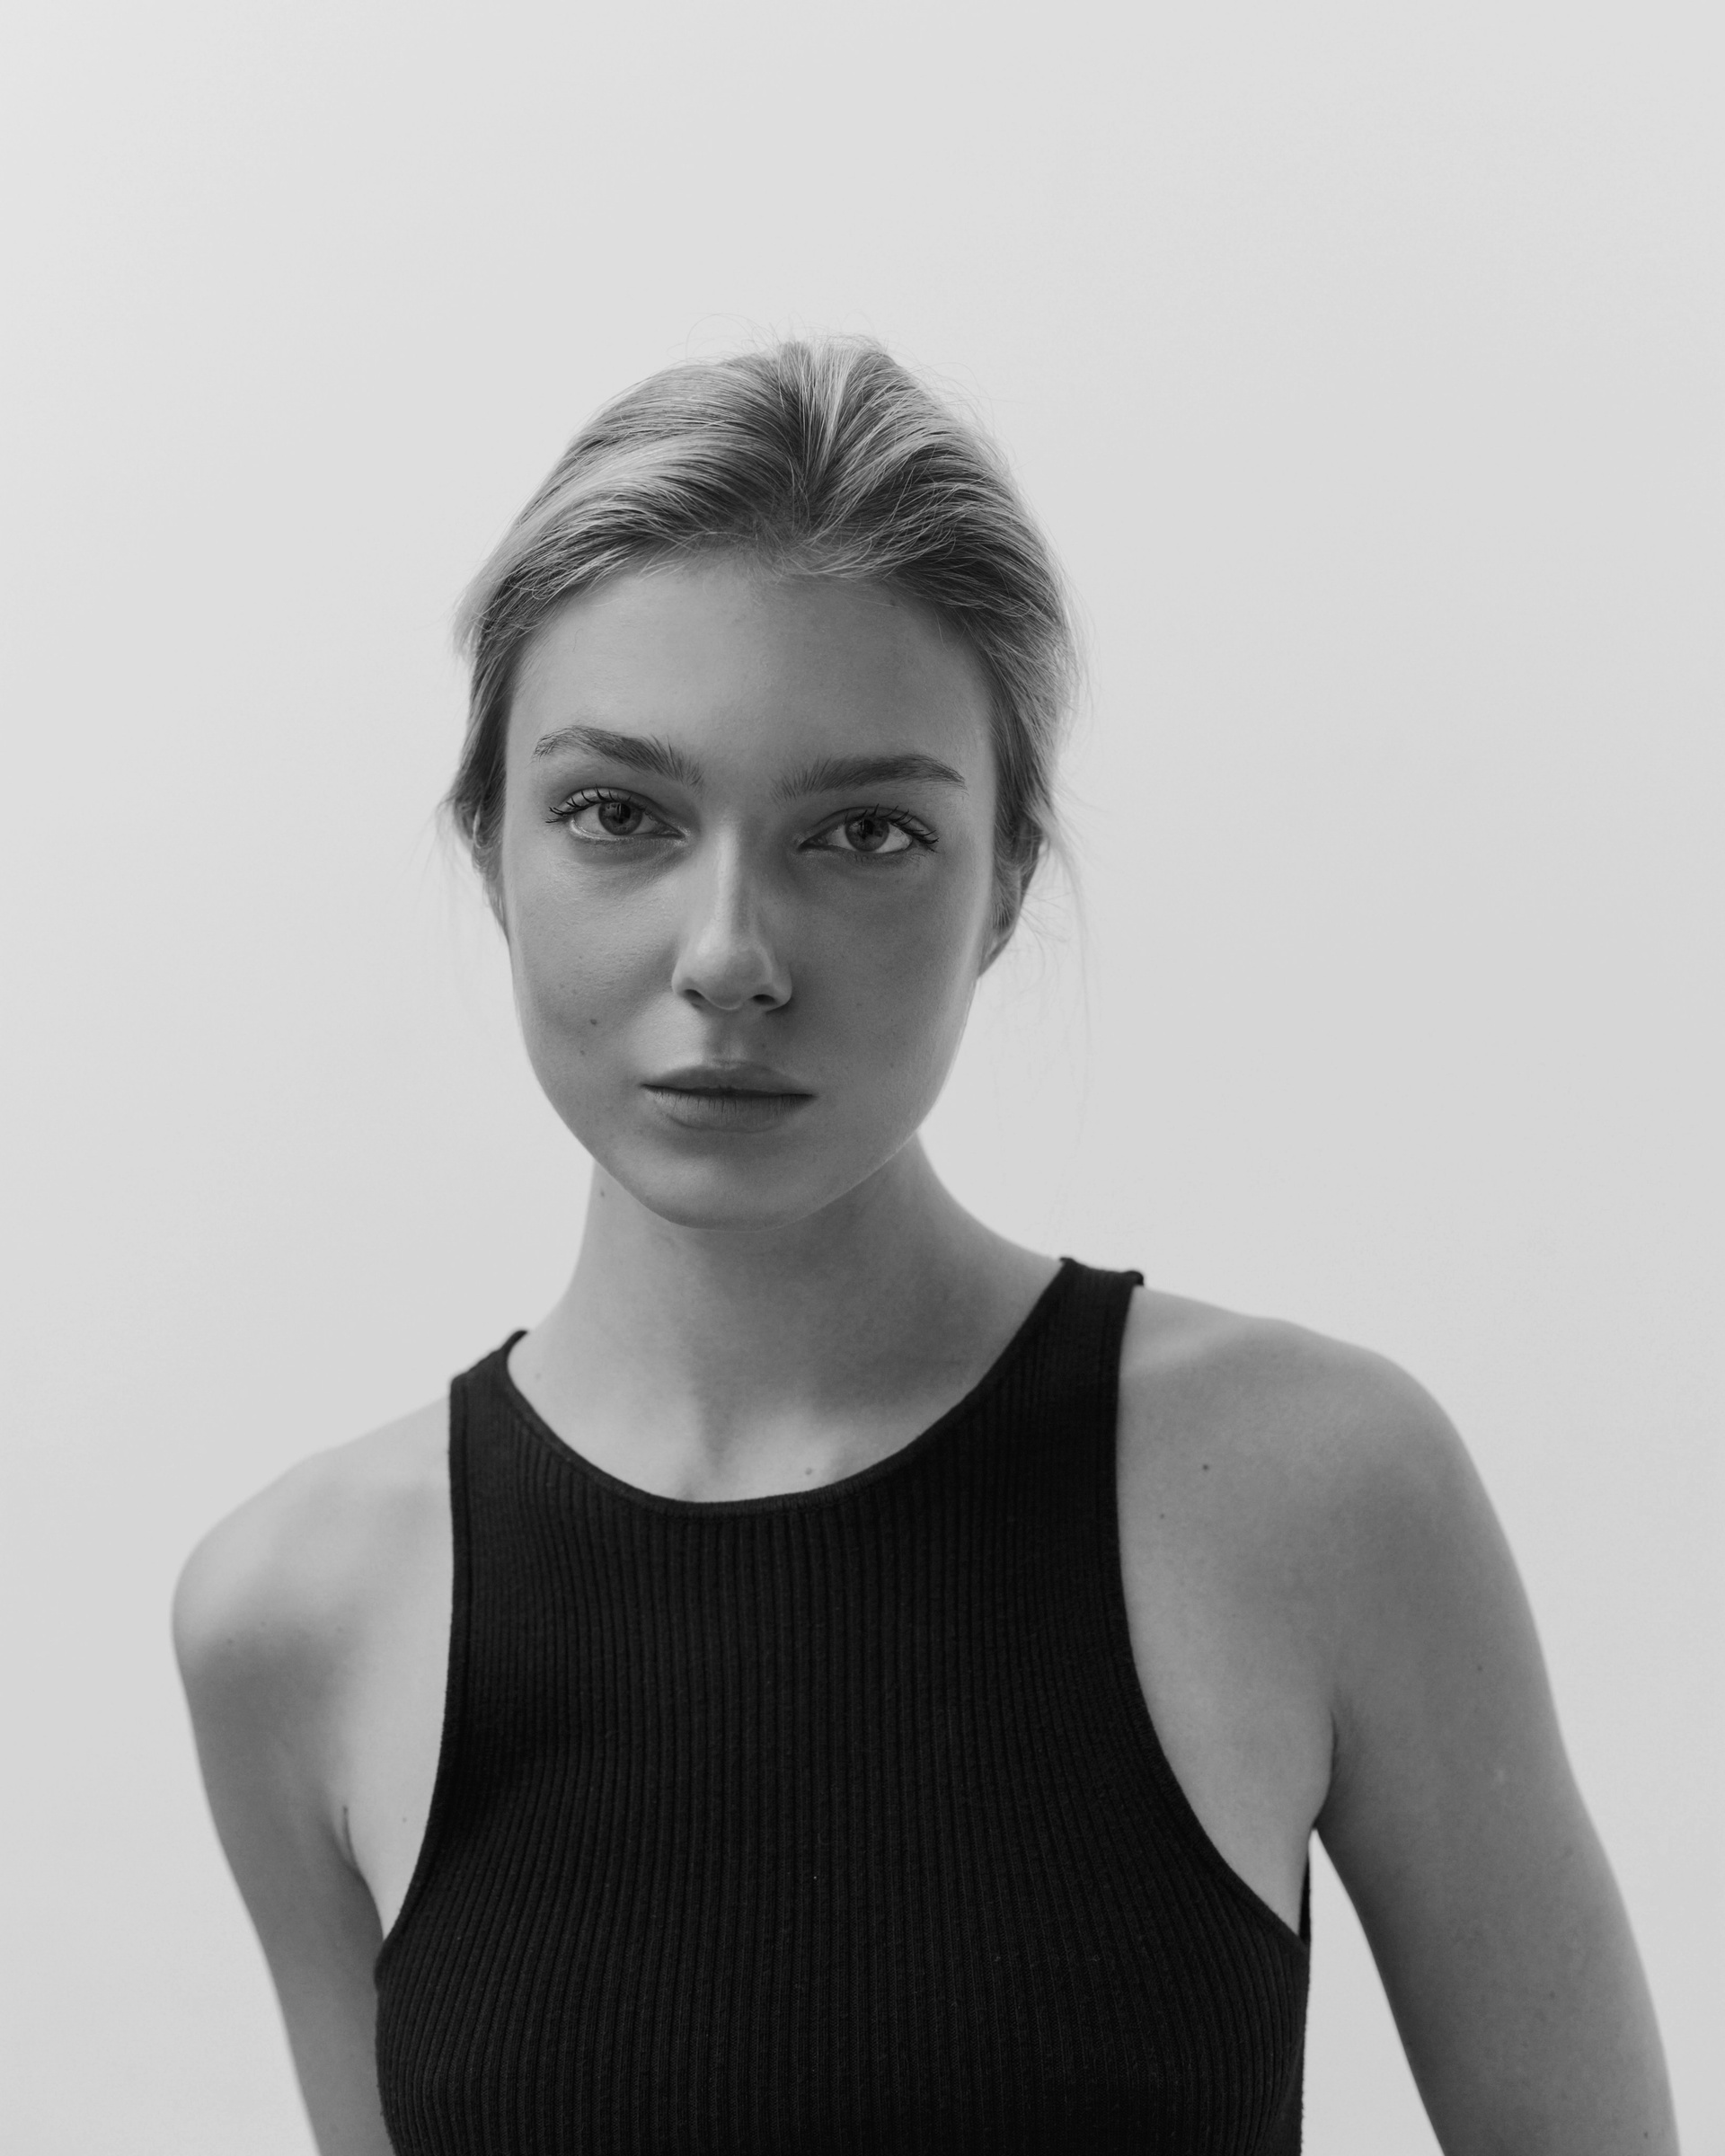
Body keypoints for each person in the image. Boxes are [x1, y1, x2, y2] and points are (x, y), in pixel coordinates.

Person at [172, 337, 1677, 2156]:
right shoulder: (296, 1616)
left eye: (865, 832)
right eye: (619, 814)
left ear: (1007, 883)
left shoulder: (1316, 1493)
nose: (730, 953)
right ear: (493, 848)